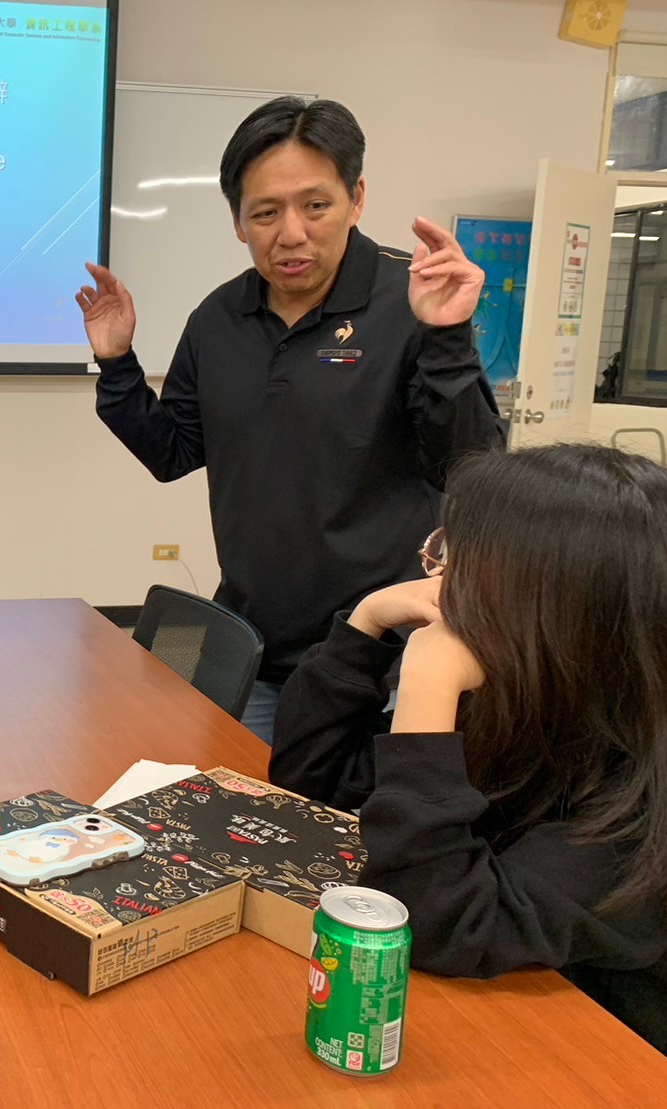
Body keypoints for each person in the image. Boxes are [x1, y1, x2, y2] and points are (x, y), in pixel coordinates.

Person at [75, 97, 506, 742]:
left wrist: (447, 339)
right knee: (237, 799)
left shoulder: (414, 301)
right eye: (266, 212)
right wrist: (117, 365)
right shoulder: (218, 319)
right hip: (255, 651)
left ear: (356, 199)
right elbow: (172, 453)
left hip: (384, 660)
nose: (292, 233)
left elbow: (472, 469)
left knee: (369, 809)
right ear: (238, 222)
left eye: (316, 205)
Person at [269, 444, 667, 1072]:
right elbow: (315, 781)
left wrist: (426, 687)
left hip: (612, 1065)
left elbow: (436, 925)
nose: (439, 576)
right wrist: (366, 623)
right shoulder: (540, 699)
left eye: (458, 559)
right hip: (523, 1019)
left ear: (550, 607)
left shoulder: (651, 797)